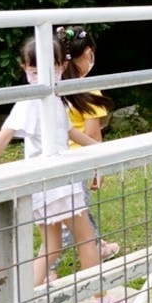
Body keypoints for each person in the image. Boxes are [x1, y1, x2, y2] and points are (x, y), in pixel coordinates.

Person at [0, 36, 103, 303]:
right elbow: (5, 134)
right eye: (35, 71)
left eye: (53, 69)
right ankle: (100, 301)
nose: (45, 76)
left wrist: (101, 155)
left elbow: (68, 133)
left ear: (62, 66)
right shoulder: (30, 102)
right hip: (58, 184)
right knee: (86, 240)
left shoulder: (54, 100)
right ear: (24, 68)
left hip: (44, 186)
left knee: (52, 248)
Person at [54, 26, 119, 265]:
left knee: (76, 211)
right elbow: (93, 134)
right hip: (79, 162)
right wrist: (98, 166)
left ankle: (98, 246)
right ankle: (47, 267)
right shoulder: (89, 90)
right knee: (70, 217)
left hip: (56, 159)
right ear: (89, 53)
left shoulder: (53, 88)